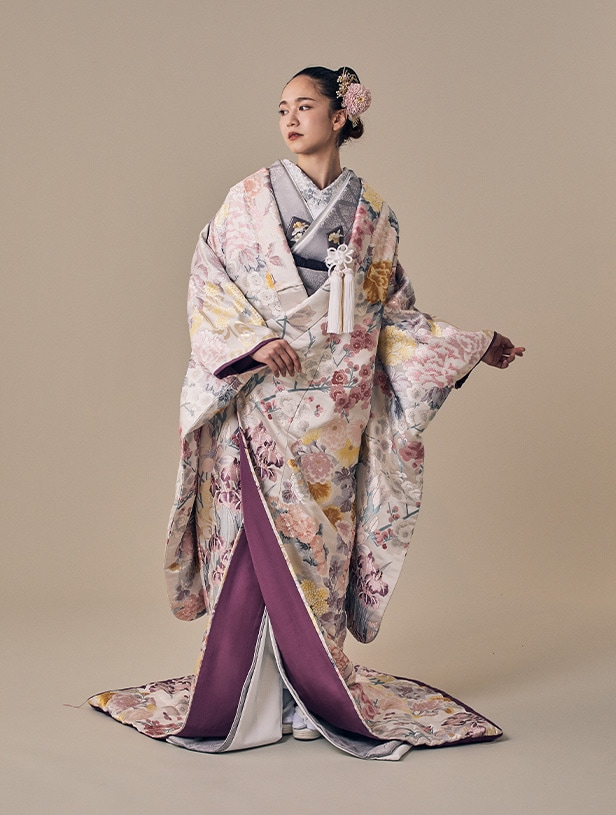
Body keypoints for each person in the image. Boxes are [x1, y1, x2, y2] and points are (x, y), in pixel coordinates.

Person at [89, 66, 524, 760]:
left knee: (320, 557)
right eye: (282, 109)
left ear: (340, 116)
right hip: (261, 399)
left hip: (335, 416)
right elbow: (209, 281)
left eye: (305, 106)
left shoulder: (375, 216)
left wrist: (472, 345)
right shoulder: (246, 200)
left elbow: (392, 318)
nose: (290, 120)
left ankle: (305, 698)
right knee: (250, 546)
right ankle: (250, 696)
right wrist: (254, 343)